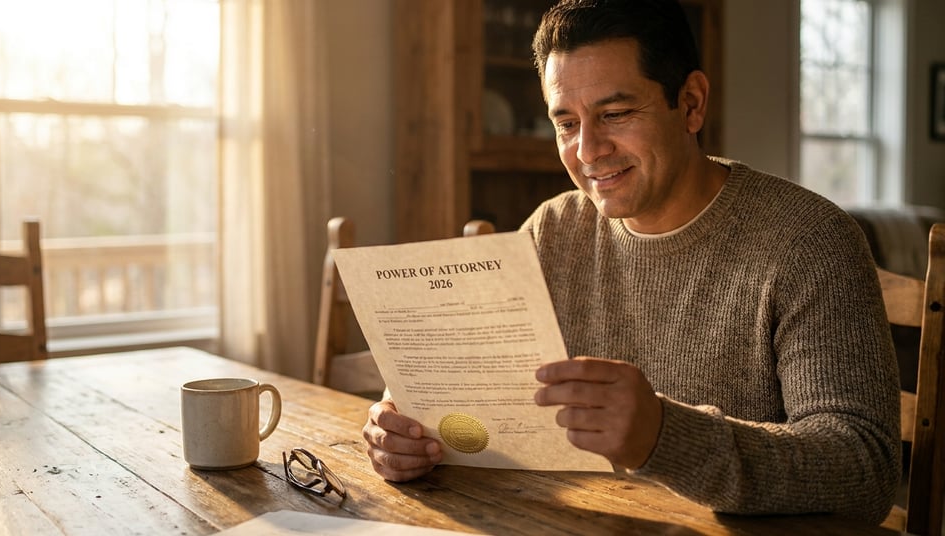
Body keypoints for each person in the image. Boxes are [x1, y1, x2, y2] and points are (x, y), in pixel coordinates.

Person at [362, 0, 900, 524]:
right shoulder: (552, 229)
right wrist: (403, 430)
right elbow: (461, 387)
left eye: (615, 114)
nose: (588, 151)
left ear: (691, 103)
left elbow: (865, 469)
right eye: (566, 123)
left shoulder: (808, 240)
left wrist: (665, 436)